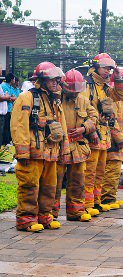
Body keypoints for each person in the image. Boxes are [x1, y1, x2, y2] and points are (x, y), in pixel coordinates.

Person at [11, 61, 70, 232]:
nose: (55, 83)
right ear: (41, 79)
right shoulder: (27, 97)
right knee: (29, 186)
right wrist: (22, 153)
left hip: (51, 153)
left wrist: (64, 151)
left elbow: (62, 126)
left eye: (57, 80)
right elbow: (18, 125)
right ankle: (26, 219)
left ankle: (45, 216)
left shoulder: (54, 100)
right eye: (52, 79)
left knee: (50, 187)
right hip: (33, 154)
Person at [82, 53, 123, 215]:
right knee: (89, 172)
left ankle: (96, 202)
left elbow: (120, 95)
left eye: (110, 69)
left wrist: (118, 76)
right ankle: (86, 204)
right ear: (95, 68)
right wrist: (90, 129)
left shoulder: (105, 88)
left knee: (99, 172)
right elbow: (83, 110)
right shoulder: (88, 86)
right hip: (92, 135)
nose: (108, 71)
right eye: (105, 68)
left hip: (104, 136)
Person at [53, 69, 98, 222]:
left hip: (78, 148)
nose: (74, 94)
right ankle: (51, 214)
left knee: (78, 182)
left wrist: (85, 128)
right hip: (59, 148)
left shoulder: (83, 101)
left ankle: (76, 212)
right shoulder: (55, 99)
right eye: (71, 91)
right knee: (55, 183)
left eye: (76, 91)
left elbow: (94, 117)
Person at [101, 69, 123, 209]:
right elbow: (111, 121)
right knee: (110, 171)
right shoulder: (113, 99)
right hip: (113, 140)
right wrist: (119, 138)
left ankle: (110, 197)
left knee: (114, 171)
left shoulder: (120, 100)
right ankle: (106, 199)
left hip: (117, 140)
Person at [1, 73, 19, 145]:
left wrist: (10, 98)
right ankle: (5, 142)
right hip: (6, 110)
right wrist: (10, 98)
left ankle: (8, 141)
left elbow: (12, 97)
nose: (14, 80)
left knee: (9, 126)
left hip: (10, 109)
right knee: (5, 127)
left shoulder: (10, 87)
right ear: (12, 80)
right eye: (14, 79)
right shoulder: (3, 86)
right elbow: (8, 97)